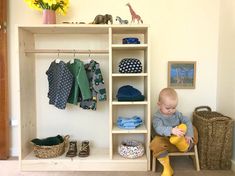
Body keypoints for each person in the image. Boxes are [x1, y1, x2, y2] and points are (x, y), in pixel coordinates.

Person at [150, 88, 198, 176]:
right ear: (159, 105)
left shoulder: (177, 114)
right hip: (167, 141)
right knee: (154, 144)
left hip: (182, 138)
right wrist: (171, 130)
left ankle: (182, 144)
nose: (171, 110)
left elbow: (187, 121)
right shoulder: (157, 117)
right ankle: (167, 168)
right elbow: (159, 128)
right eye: (168, 108)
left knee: (193, 128)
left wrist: (188, 134)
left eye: (174, 108)